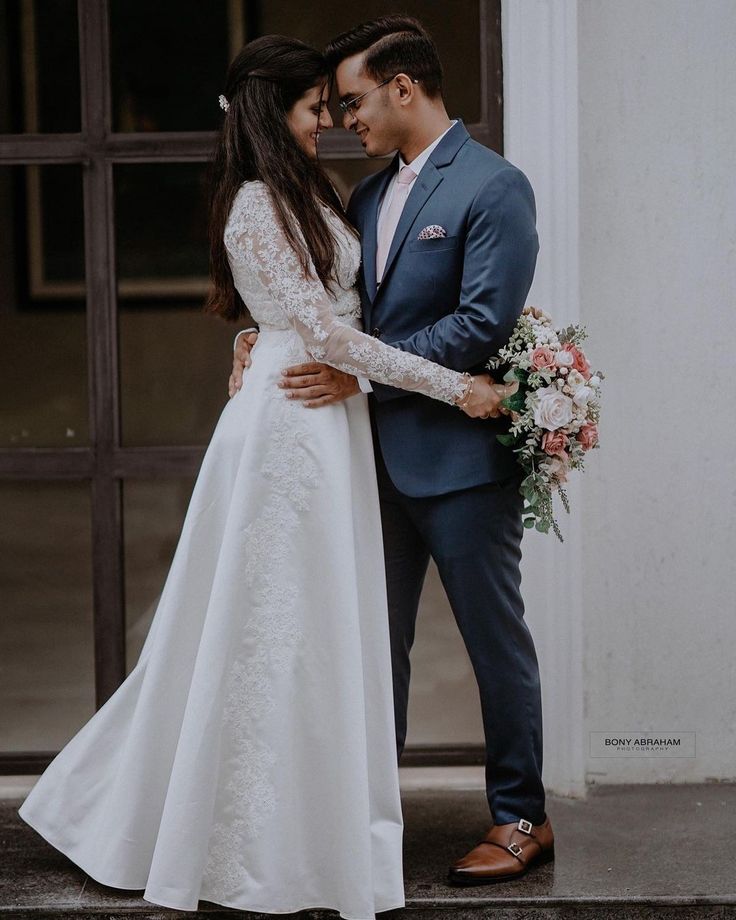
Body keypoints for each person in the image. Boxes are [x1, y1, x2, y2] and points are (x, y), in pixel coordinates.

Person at [17, 35, 509, 919]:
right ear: (274, 110)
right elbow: (321, 338)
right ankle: (248, 840)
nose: (331, 119)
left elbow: (313, 314)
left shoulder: (307, 194)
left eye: (333, 104)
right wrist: (457, 387)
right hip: (292, 426)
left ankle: (313, 826)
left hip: (325, 423)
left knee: (312, 632)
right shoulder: (254, 202)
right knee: (262, 633)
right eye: (317, 106)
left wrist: (258, 335)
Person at [230, 17, 556, 886]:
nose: (343, 119)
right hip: (366, 462)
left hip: (458, 462)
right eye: (329, 106)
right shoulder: (365, 198)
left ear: (403, 86)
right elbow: (337, 311)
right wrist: (270, 344)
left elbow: (482, 323)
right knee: (375, 647)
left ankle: (523, 816)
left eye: (354, 100)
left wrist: (362, 378)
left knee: (495, 642)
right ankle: (371, 813)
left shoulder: (494, 187)